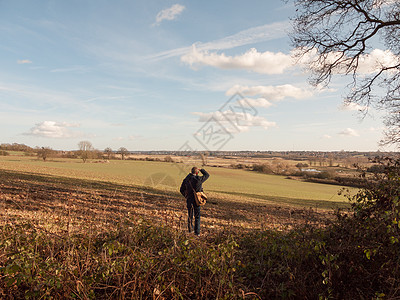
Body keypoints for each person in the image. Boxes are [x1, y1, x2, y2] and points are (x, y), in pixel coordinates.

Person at [180, 167, 210, 236]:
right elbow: (207, 175)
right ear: (197, 173)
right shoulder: (199, 179)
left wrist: (186, 196)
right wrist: (201, 170)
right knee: (197, 216)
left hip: (189, 199)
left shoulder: (186, 179)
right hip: (197, 200)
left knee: (190, 215)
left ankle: (190, 230)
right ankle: (197, 233)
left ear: (191, 172)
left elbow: (181, 189)